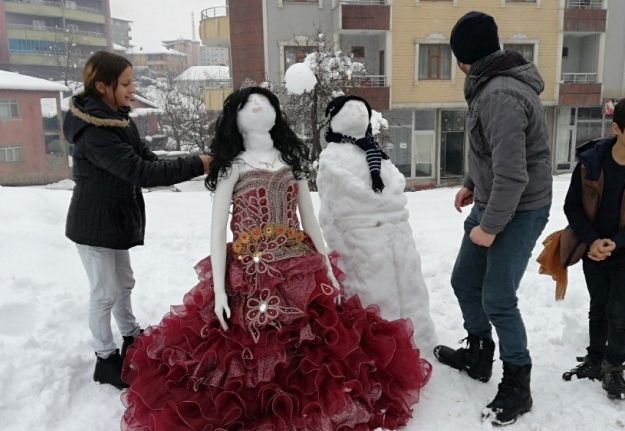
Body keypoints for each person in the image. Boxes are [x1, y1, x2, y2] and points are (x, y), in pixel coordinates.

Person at [120, 86, 431, 430]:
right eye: (248, 104)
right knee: (247, 352)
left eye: (265, 102)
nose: (257, 107)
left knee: (316, 344)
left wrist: (326, 265)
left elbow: (309, 219)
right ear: (234, 118)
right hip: (248, 271)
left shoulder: (290, 163)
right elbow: (217, 228)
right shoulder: (231, 167)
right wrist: (221, 292)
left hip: (299, 266)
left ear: (276, 113)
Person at [63, 50, 211, 390]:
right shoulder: (95, 130)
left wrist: (196, 160)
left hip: (113, 220)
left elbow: (149, 159)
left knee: (124, 283)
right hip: (93, 222)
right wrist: (198, 164)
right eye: (126, 83)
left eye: (133, 82)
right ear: (102, 86)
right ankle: (105, 358)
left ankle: (130, 336)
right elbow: (139, 171)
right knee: (104, 292)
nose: (132, 89)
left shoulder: (118, 120)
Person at [432, 11, 553, 426]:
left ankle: (518, 383)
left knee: (498, 298)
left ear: (462, 60)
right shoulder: (490, 85)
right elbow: (492, 153)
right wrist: (471, 182)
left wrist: (489, 227)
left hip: (521, 207)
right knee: (465, 282)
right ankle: (480, 354)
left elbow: (514, 175)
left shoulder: (499, 95)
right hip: (495, 198)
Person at [561, 95, 625, 400]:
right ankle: (595, 359)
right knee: (599, 308)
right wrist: (592, 240)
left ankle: (614, 367)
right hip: (593, 250)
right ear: (617, 129)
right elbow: (573, 207)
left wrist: (617, 242)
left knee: (621, 313)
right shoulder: (590, 163)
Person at [316, 95, 438, 352]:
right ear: (335, 119)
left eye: (363, 110)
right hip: (361, 238)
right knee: (373, 290)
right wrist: (378, 206)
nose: (359, 113)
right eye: (351, 109)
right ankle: (379, 345)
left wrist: (387, 205)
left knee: (408, 284)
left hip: (396, 234)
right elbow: (337, 200)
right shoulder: (332, 158)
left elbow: (395, 184)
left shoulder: (376, 152)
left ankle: (418, 337)